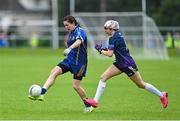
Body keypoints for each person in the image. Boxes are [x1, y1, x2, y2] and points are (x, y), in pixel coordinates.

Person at [85, 20, 168, 110]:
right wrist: (103, 49)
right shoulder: (115, 36)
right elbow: (114, 50)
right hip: (119, 63)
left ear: (112, 29)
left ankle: (161, 95)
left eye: (106, 28)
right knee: (103, 77)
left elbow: (109, 54)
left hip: (127, 64)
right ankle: (95, 101)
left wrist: (101, 50)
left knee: (141, 84)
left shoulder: (114, 38)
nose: (105, 30)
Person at [28, 15, 93, 113]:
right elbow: (70, 43)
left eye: (67, 25)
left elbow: (79, 41)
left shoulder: (80, 31)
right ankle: (42, 92)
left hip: (79, 63)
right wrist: (68, 47)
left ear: (73, 23)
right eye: (64, 26)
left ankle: (88, 105)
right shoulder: (71, 33)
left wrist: (70, 48)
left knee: (76, 86)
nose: (66, 27)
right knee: (54, 71)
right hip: (69, 60)